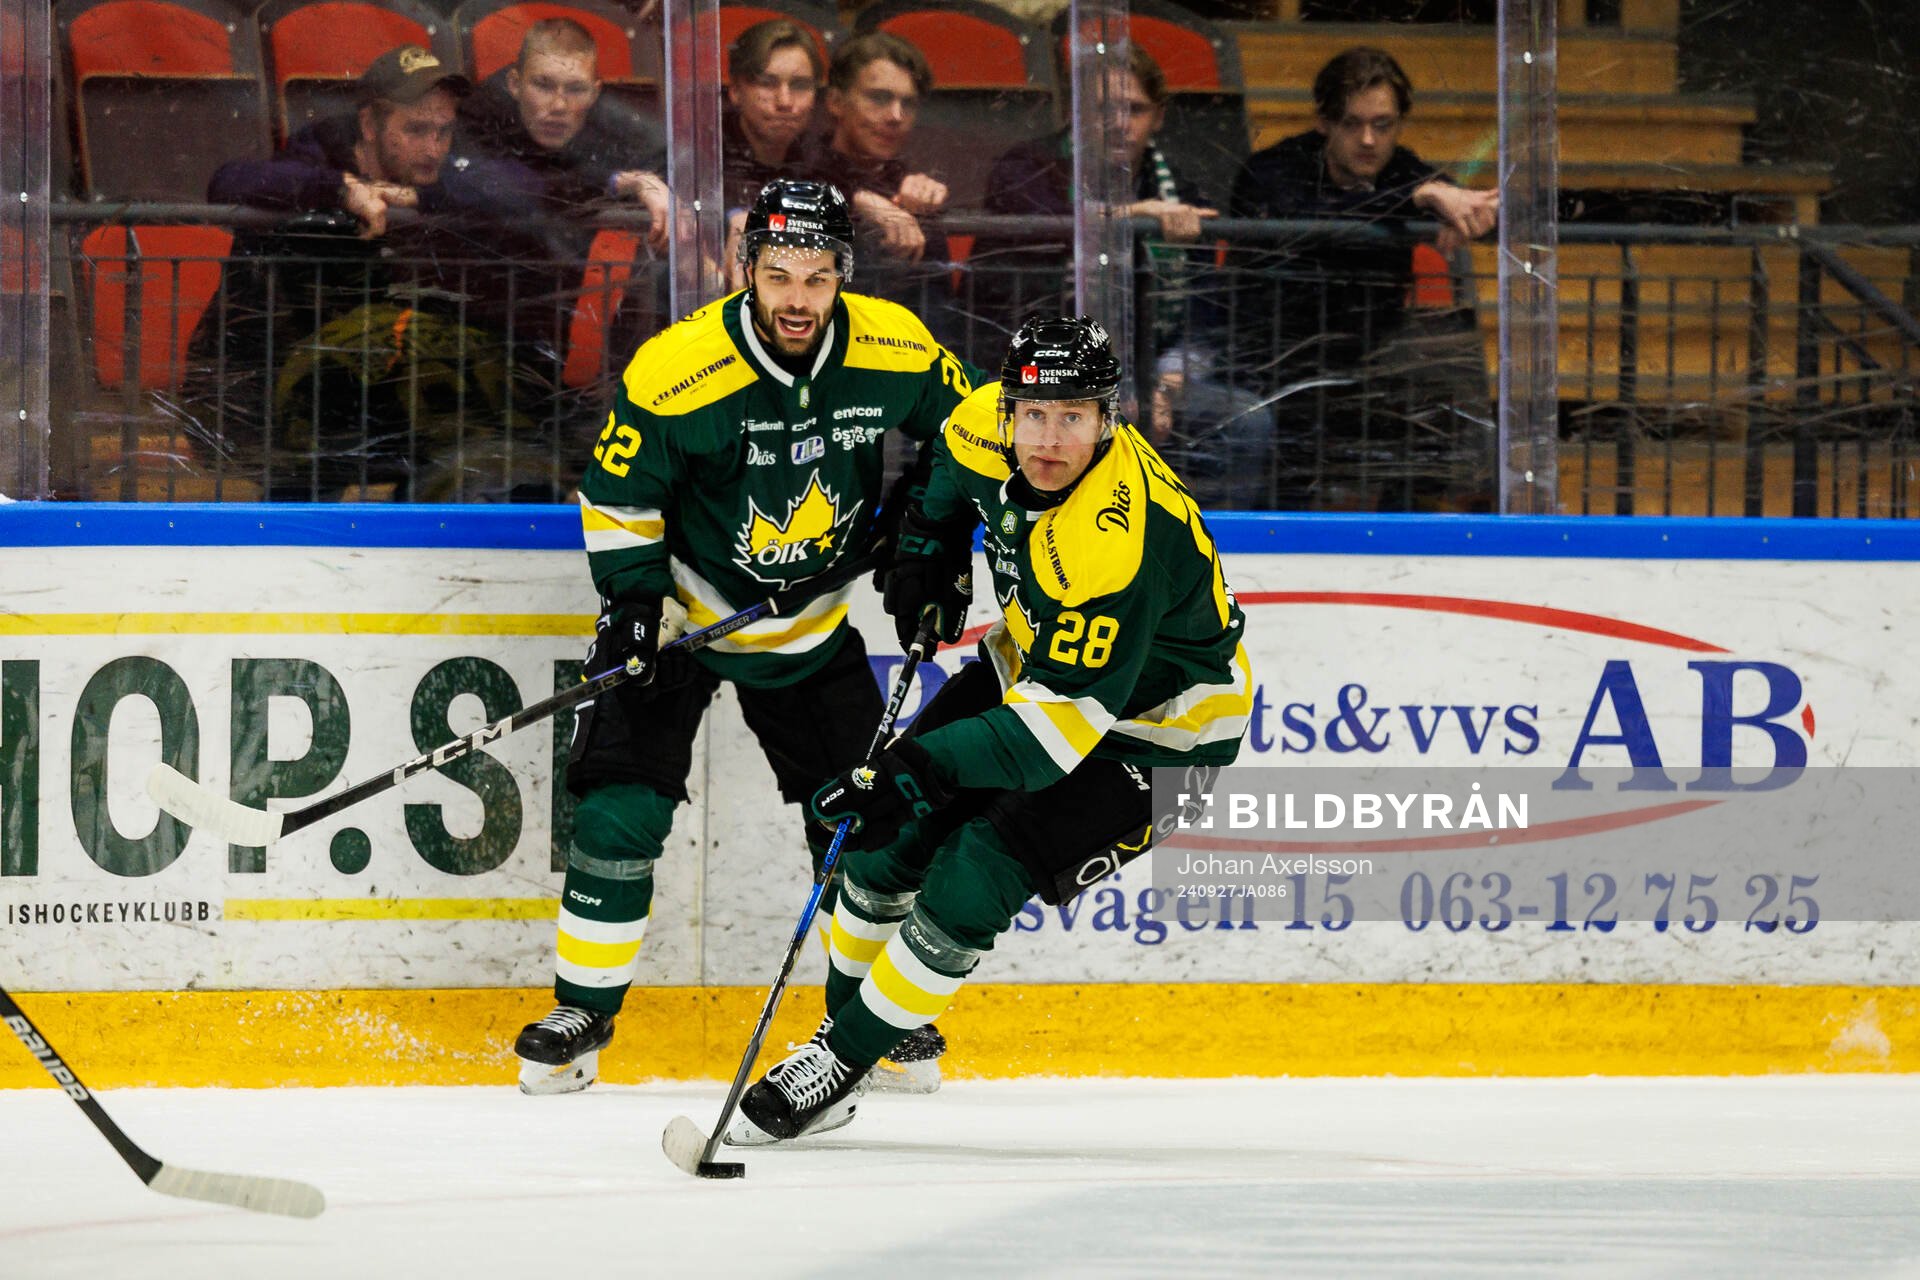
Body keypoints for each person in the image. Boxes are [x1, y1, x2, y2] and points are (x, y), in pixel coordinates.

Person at [725, 315, 1252, 1145]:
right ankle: (871, 1041)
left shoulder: (1115, 538)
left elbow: (1051, 739)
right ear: (1008, 411)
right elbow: (948, 465)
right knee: (880, 848)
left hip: (1161, 738)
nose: (1049, 439)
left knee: (973, 873)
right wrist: (929, 543)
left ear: (1108, 419)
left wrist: (912, 769)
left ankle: (838, 1061)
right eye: (1034, 414)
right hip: (1033, 675)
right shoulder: (980, 420)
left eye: (1074, 416)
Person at [513, 179, 985, 1097]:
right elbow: (617, 495)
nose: (798, 298)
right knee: (617, 806)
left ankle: (869, 1025)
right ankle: (582, 1014)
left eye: (817, 277)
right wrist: (633, 601)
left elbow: (973, 432)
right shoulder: (679, 368)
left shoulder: (893, 348)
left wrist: (927, 527)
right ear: (747, 269)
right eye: (779, 276)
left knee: (863, 825)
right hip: (684, 620)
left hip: (810, 626)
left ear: (843, 274)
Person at [184, 45, 513, 499]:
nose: (433, 148)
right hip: (273, 388)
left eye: (444, 132)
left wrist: (424, 199)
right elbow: (227, 182)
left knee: (455, 442)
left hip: (376, 378)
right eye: (416, 130)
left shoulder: (437, 173)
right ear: (369, 125)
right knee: (309, 489)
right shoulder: (315, 156)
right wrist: (340, 190)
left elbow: (515, 193)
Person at [1225, 46, 1500, 510]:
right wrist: (1418, 199)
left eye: (1383, 125)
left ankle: (1406, 539)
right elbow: (1320, 222)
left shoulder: (1403, 171)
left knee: (1446, 404)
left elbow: (1459, 202)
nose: (1369, 140)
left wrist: (1473, 208)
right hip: (1273, 370)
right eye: (1352, 124)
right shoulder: (1273, 170)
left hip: (1368, 368)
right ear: (1324, 122)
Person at [975, 44, 1217, 349]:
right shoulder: (1027, 165)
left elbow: (1203, 299)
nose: (1120, 124)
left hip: (1146, 361)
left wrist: (1177, 365)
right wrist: (1131, 214)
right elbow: (1046, 225)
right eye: (1104, 109)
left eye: (1135, 109)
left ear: (1158, 117)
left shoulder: (1179, 190)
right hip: (1025, 353)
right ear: (1075, 113)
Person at [812, 33, 950, 275]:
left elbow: (936, 293)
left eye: (908, 103)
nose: (896, 116)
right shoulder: (800, 170)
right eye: (878, 98)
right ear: (836, 102)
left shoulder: (910, 191)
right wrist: (854, 199)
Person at [723, 19, 826, 215]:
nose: (785, 102)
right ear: (735, 90)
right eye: (767, 83)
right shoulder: (703, 160)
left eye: (800, 85)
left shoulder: (822, 162)